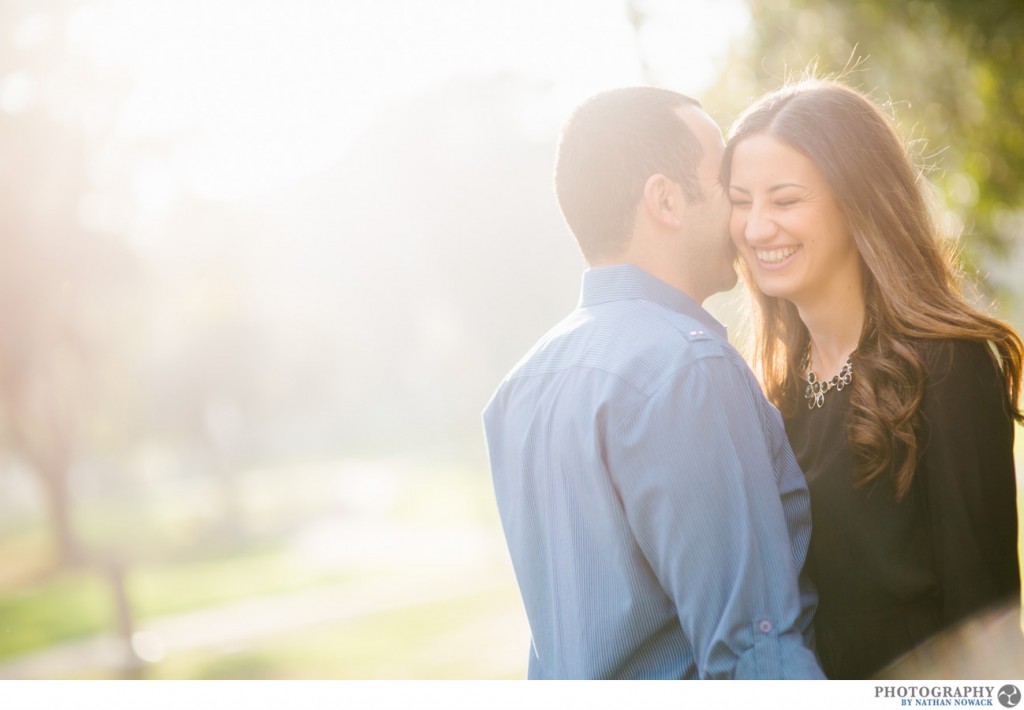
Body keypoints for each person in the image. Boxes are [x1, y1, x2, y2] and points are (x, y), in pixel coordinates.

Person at [482, 87, 825, 679]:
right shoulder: (690, 369)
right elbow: (755, 650)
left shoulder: (519, 388)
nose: (745, 216)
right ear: (666, 200)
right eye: (726, 184)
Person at [723, 78, 1023, 679]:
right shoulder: (773, 390)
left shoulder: (946, 365)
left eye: (785, 201)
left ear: (857, 201)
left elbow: (987, 619)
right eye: (740, 200)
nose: (756, 229)